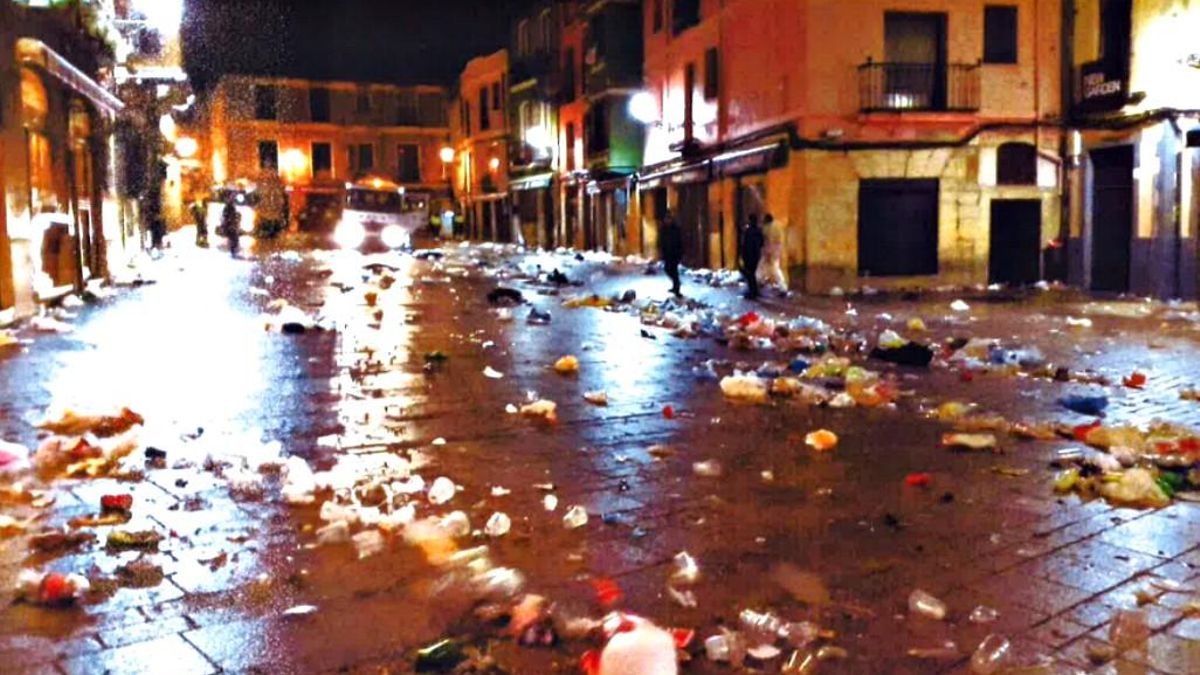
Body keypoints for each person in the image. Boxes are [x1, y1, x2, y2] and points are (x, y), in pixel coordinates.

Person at [758, 213, 787, 294]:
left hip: (770, 251)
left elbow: (769, 240)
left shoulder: (768, 228)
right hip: (776, 250)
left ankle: (782, 287)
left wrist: (767, 252)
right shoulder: (778, 225)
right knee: (769, 267)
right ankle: (781, 286)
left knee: (769, 268)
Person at [658, 209, 683, 297]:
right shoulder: (663, 229)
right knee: (668, 269)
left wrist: (680, 253)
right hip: (667, 253)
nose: (667, 221)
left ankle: (677, 288)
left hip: (674, 253)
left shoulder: (675, 229)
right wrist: (661, 251)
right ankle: (676, 285)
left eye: (668, 219)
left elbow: (680, 241)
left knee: (673, 270)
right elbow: (661, 241)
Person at [739, 214, 764, 300]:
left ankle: (753, 291)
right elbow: (761, 243)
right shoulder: (759, 230)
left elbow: (744, 244)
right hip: (756, 255)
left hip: (749, 255)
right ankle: (754, 290)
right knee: (752, 273)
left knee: (750, 274)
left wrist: (742, 255)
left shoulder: (748, 231)